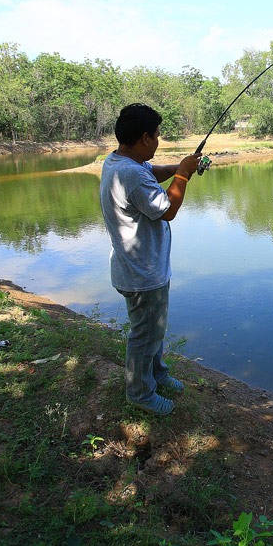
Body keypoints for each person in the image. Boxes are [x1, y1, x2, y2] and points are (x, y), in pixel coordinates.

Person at [99, 103, 201, 415]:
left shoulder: (120, 161)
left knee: (152, 329)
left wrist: (176, 169)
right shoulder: (130, 173)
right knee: (144, 335)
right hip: (143, 274)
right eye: (157, 136)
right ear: (145, 138)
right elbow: (167, 209)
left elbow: (151, 173)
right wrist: (183, 174)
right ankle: (140, 393)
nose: (159, 141)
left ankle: (156, 375)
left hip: (138, 269)